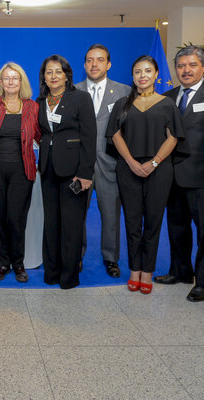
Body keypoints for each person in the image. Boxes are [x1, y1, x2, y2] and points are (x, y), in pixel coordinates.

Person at [106, 55, 183, 294]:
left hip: (158, 170)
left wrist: (154, 162)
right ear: (132, 76)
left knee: (153, 221)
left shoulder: (167, 103)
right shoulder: (122, 104)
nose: (142, 76)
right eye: (138, 71)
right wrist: (130, 162)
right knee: (131, 222)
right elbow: (115, 135)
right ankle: (134, 269)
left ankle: (147, 271)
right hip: (128, 169)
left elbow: (173, 137)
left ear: (156, 75)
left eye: (148, 71)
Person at [154, 45, 204, 302]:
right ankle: (181, 271)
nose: (186, 70)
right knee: (177, 227)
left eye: (192, 65)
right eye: (181, 66)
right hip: (172, 176)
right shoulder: (168, 97)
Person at [37, 55, 96, 289]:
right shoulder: (40, 100)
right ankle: (51, 272)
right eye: (49, 72)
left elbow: (89, 138)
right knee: (51, 223)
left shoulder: (80, 98)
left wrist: (85, 173)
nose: (53, 76)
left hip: (74, 172)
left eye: (58, 72)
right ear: (44, 76)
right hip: (48, 170)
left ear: (67, 75)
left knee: (71, 225)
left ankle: (69, 276)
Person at [75, 44, 132, 278]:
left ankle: (111, 258)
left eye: (99, 60)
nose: (94, 64)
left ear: (108, 64)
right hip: (80, 166)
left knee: (110, 214)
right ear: (84, 64)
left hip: (111, 164)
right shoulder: (73, 91)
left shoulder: (125, 91)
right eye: (89, 60)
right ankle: (75, 254)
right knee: (77, 213)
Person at [0, 62, 40, 282]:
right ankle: (3, 263)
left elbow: (43, 137)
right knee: (1, 217)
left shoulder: (33, 107)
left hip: (22, 172)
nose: (11, 81)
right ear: (1, 82)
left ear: (21, 81)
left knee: (17, 218)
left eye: (15, 78)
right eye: (7, 78)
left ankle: (19, 263)